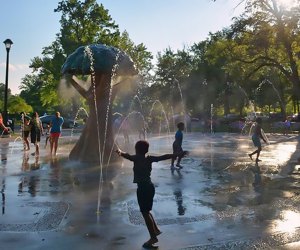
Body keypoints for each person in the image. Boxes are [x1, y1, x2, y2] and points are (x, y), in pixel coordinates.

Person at [115, 140, 187, 248]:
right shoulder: (149, 158)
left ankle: (153, 237)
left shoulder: (137, 158)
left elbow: (128, 156)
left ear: (137, 149)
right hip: (150, 187)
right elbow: (163, 156)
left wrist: (119, 152)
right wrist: (177, 154)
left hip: (143, 188)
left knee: (145, 213)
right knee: (147, 211)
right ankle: (156, 230)